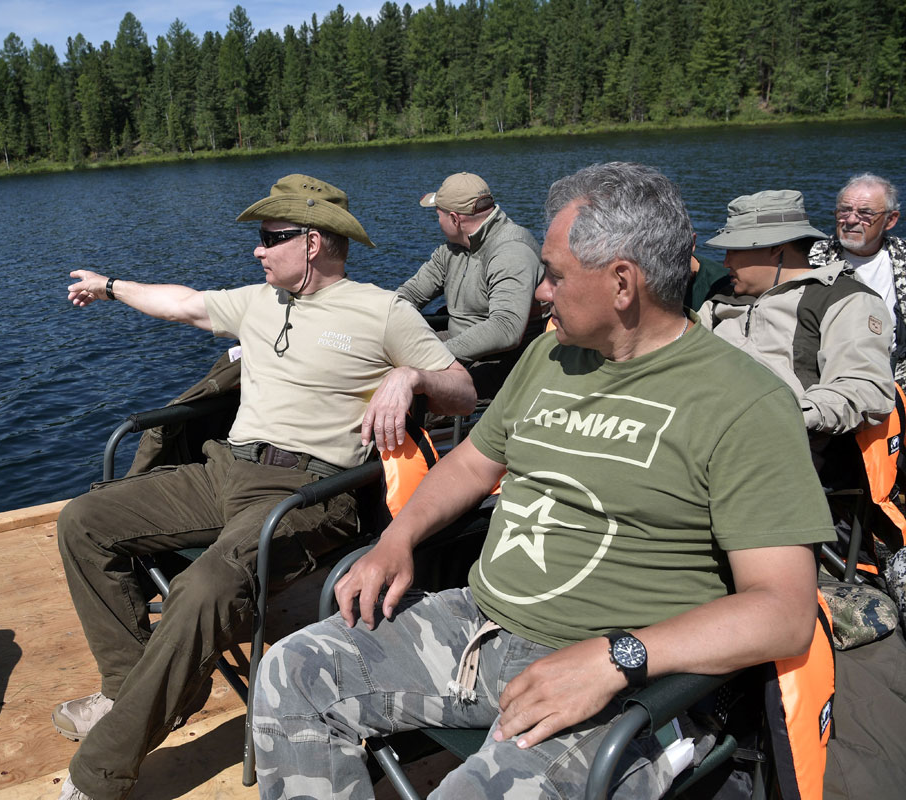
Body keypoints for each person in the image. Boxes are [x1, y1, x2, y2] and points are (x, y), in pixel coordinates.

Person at [251, 162, 835, 800]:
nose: (539, 293)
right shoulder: (548, 356)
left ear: (622, 283)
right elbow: (474, 463)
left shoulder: (743, 403)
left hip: (623, 686)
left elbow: (783, 612)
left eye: (554, 274)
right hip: (478, 627)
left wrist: (617, 657)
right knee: (291, 671)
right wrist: (399, 537)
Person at [54, 174, 475, 800]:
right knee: (82, 520)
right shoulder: (258, 302)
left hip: (307, 491)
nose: (258, 249)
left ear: (313, 242)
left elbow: (463, 390)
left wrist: (410, 376)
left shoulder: (381, 310)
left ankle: (101, 772)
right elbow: (183, 303)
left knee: (205, 588)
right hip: (225, 469)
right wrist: (110, 287)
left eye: (270, 237)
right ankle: (134, 687)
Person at [699, 189, 893, 467]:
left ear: (776, 248)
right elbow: (680, 352)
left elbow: (864, 390)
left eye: (735, 249)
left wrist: (785, 415)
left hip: (787, 455)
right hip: (704, 437)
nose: (726, 261)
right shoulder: (721, 297)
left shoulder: (844, 299)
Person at [396, 172, 544, 398]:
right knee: (380, 360)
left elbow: (506, 328)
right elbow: (410, 294)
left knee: (410, 394)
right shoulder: (452, 249)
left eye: (438, 215)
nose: (437, 222)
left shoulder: (511, 251)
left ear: (455, 219)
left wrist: (438, 358)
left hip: (506, 365)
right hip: (459, 347)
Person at [809, 174, 905, 379]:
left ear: (890, 220)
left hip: (897, 376)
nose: (851, 220)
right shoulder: (811, 260)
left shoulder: (902, 258)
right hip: (829, 375)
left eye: (865, 213)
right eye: (845, 210)